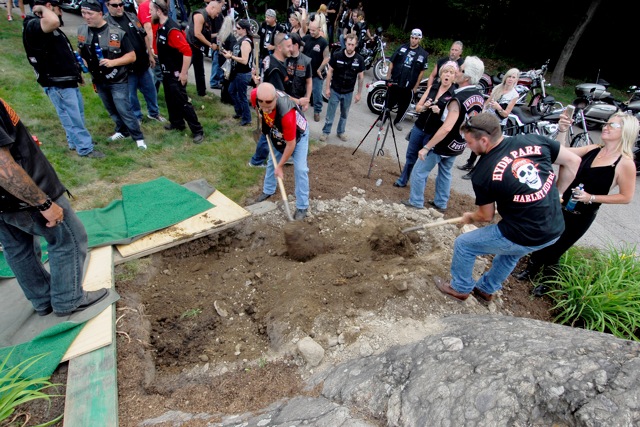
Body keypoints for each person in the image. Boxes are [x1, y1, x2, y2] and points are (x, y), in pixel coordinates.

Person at [433, 112, 581, 303]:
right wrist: (557, 192)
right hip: (555, 229)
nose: (467, 146)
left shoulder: (483, 172)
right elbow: (573, 161)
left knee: (465, 244)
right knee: (511, 254)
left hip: (526, 232)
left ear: (484, 140)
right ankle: (486, 289)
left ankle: (460, 288)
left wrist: (470, 217)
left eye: (469, 142)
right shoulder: (533, 140)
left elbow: (486, 216)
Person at [0, 98, 109, 317]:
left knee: (17, 247)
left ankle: (42, 299)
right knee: (69, 236)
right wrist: (44, 202)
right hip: (23, 196)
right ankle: (68, 299)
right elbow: (3, 167)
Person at [514, 112, 638, 291]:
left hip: (580, 215)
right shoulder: (593, 149)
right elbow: (560, 153)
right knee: (543, 239)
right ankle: (530, 270)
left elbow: (626, 197)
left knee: (556, 249)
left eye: (613, 125)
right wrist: (563, 130)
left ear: (626, 131)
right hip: (560, 204)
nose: (606, 127)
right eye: (606, 123)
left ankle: (548, 283)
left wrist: (591, 197)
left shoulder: (625, 163)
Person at [22, 0, 104, 158]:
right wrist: (41, 8)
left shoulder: (44, 26)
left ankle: (76, 142)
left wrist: (76, 73)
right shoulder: (34, 25)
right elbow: (54, 21)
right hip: (57, 82)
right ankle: (85, 148)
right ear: (47, 6)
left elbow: (62, 51)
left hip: (66, 79)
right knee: (72, 117)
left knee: (76, 114)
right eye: (56, 7)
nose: (60, 11)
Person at [402, 56, 485, 211]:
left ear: (467, 77)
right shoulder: (479, 97)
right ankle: (441, 202)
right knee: (445, 172)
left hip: (444, 143)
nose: (457, 72)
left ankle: (416, 202)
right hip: (458, 143)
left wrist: (427, 147)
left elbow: (447, 127)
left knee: (419, 171)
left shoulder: (458, 99)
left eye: (461, 70)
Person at [77, 0, 147, 149]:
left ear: (100, 13)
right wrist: (82, 62)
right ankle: (121, 130)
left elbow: (132, 56)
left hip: (117, 79)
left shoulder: (116, 33)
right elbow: (81, 51)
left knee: (124, 108)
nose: (86, 17)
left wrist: (113, 62)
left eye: (90, 13)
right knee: (111, 109)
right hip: (98, 79)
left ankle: (138, 138)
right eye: (83, 13)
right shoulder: (82, 31)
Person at [393, 60, 457, 188]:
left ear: (454, 77)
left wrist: (439, 112)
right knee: (410, 156)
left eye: (451, 73)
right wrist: (424, 107)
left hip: (433, 133)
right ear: (441, 74)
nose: (447, 75)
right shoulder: (432, 87)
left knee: (424, 163)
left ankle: (418, 187)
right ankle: (403, 180)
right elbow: (417, 108)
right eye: (445, 72)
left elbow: (450, 121)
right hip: (419, 127)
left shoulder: (453, 95)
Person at [252, 83, 310, 221]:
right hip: (276, 130)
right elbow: (258, 109)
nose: (265, 109)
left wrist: (280, 166)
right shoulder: (256, 95)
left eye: (269, 106)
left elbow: (291, 144)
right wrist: (263, 118)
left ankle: (302, 206)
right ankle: (268, 190)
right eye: (262, 105)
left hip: (297, 135)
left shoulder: (286, 114)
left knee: (301, 169)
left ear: (276, 98)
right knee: (272, 161)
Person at [150, 0, 204, 143]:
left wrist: (183, 74)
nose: (149, 13)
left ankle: (197, 130)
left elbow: (187, 52)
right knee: (170, 99)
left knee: (182, 102)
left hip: (175, 73)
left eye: (151, 10)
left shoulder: (172, 30)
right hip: (166, 72)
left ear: (159, 11)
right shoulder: (160, 26)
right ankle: (177, 123)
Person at [106, 0, 165, 124]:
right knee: (131, 95)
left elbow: (144, 35)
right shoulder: (106, 23)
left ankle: (154, 113)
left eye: (121, 4)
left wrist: (150, 54)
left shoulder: (131, 16)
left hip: (142, 62)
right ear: (107, 6)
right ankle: (136, 116)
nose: (119, 7)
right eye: (115, 5)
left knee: (151, 90)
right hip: (126, 67)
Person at [459, 68, 520, 179]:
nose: (510, 79)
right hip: (487, 119)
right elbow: (487, 102)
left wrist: (498, 107)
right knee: (477, 140)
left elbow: (506, 113)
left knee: (486, 147)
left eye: (513, 77)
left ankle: (475, 171)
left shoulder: (514, 95)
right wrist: (482, 111)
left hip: (497, 123)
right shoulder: (498, 88)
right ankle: (469, 163)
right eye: (509, 76)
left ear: (516, 80)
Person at [248, 32, 292, 168]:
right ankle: (257, 160)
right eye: (288, 46)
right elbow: (279, 94)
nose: (291, 49)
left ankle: (280, 155)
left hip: (265, 102)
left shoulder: (269, 58)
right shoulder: (275, 69)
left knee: (269, 131)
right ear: (279, 47)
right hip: (270, 105)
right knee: (270, 132)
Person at [319, 33, 364, 142]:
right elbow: (330, 72)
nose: (350, 47)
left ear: (356, 45)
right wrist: (327, 88)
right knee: (330, 113)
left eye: (352, 45)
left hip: (348, 92)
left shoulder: (359, 59)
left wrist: (359, 93)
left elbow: (361, 77)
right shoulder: (337, 55)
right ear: (345, 43)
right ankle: (325, 132)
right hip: (335, 90)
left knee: (344, 114)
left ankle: (341, 132)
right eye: (348, 44)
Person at [385, 28, 428, 131]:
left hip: (409, 85)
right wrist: (388, 77)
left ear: (419, 39)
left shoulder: (423, 54)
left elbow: (422, 72)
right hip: (396, 81)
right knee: (389, 101)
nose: (413, 40)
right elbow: (392, 62)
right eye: (412, 37)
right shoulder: (401, 48)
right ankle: (383, 118)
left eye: (416, 38)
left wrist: (416, 87)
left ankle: (397, 121)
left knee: (404, 105)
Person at [185, 0, 223, 96]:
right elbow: (197, 34)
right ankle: (179, 91)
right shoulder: (200, 15)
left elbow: (206, 34)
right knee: (184, 69)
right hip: (190, 47)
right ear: (212, 8)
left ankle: (202, 93)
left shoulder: (208, 18)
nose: (217, 15)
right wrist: (210, 45)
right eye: (217, 12)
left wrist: (219, 34)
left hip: (198, 48)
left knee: (200, 72)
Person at [222, 19, 254, 127]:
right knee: (231, 91)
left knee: (242, 96)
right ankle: (239, 112)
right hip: (237, 72)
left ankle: (247, 118)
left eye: (238, 28)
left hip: (243, 73)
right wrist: (229, 54)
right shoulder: (241, 39)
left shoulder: (245, 42)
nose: (236, 29)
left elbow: (244, 60)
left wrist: (231, 56)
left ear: (244, 29)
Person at [302, 20, 330, 122]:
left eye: (314, 30)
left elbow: (326, 58)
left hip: (316, 73)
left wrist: (319, 69)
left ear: (319, 29)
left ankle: (317, 111)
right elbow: (300, 51)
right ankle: (299, 107)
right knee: (300, 90)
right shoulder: (305, 38)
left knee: (317, 93)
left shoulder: (323, 42)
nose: (311, 32)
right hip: (304, 71)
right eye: (310, 30)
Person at [137, 0, 162, 92]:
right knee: (158, 72)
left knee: (157, 73)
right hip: (159, 42)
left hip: (154, 46)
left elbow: (148, 27)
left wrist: (150, 47)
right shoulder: (153, 3)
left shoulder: (144, 6)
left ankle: (177, 95)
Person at [257, 9, 284, 76]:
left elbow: (284, 43)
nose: (266, 19)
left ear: (273, 18)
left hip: (273, 57)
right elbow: (259, 34)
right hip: (263, 55)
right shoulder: (264, 24)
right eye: (266, 17)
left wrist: (274, 47)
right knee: (262, 74)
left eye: (268, 18)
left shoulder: (279, 28)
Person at [208, 11, 224, 90]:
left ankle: (218, 79)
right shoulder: (218, 15)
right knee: (217, 62)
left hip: (215, 41)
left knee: (218, 62)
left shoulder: (216, 14)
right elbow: (218, 31)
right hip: (216, 41)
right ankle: (214, 81)